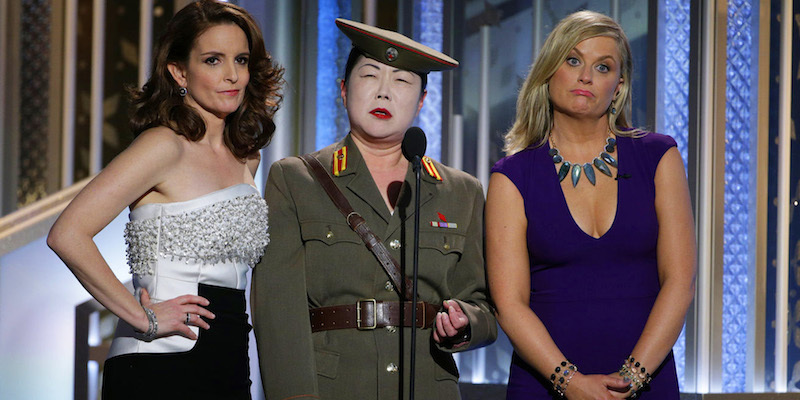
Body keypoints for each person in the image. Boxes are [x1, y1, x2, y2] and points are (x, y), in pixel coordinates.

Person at [47, 1, 283, 397]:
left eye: (240, 60)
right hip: (158, 361)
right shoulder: (163, 145)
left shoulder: (247, 156)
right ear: (179, 72)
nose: (232, 75)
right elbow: (67, 234)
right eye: (213, 60)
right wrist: (142, 317)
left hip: (230, 360)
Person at [251, 18, 497, 400]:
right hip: (331, 388)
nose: (384, 93)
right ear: (344, 89)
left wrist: (466, 323)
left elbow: (484, 304)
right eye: (370, 76)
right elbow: (277, 309)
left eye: (401, 82)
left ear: (422, 101)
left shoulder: (462, 191)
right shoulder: (295, 179)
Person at [486, 10, 696, 400]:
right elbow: (509, 304)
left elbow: (680, 282)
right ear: (549, 71)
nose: (586, 76)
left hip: (646, 381)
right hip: (544, 384)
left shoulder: (658, 156)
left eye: (603, 67)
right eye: (572, 60)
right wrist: (570, 382)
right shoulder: (511, 176)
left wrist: (630, 379)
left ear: (617, 86)